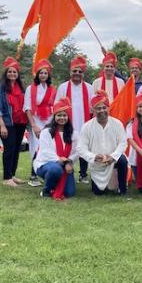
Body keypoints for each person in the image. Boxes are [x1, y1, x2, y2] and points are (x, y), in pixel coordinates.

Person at [78, 90, 128, 195]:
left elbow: (122, 143)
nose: (101, 111)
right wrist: (94, 156)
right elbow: (81, 148)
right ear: (93, 110)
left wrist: (113, 157)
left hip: (113, 160)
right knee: (98, 192)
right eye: (98, 108)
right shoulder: (87, 126)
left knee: (122, 159)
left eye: (104, 107)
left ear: (108, 108)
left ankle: (122, 189)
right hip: (97, 163)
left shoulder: (117, 123)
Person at [56, 55, 94, 184]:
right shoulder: (62, 87)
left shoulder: (89, 87)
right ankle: (63, 170)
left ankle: (83, 174)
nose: (77, 73)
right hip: (67, 124)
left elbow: (93, 107)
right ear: (70, 72)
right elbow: (57, 106)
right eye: (74, 71)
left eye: (80, 71)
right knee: (66, 147)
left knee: (84, 148)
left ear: (83, 73)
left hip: (84, 123)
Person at [0, 57, 28, 187]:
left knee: (16, 148)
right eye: (10, 72)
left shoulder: (21, 87)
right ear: (5, 73)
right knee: (9, 147)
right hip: (6, 123)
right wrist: (2, 126)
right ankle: (7, 178)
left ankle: (12, 174)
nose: (12, 74)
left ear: (17, 74)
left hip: (20, 122)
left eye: (14, 72)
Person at [33, 97, 79, 200]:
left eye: (64, 115)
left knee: (70, 193)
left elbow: (77, 152)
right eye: (59, 115)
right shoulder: (46, 132)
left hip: (66, 165)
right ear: (54, 117)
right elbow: (45, 151)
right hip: (45, 164)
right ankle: (47, 191)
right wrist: (61, 160)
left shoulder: (74, 134)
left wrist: (69, 162)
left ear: (68, 117)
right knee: (55, 169)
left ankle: (54, 184)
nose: (62, 118)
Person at [23, 59, 57, 187]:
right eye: (41, 73)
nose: (43, 75)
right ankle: (33, 175)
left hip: (49, 122)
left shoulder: (52, 90)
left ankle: (45, 173)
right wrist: (33, 125)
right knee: (36, 146)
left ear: (48, 75)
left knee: (48, 147)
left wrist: (52, 124)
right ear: (37, 74)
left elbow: (55, 106)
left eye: (45, 73)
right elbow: (27, 108)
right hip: (36, 121)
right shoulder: (30, 88)